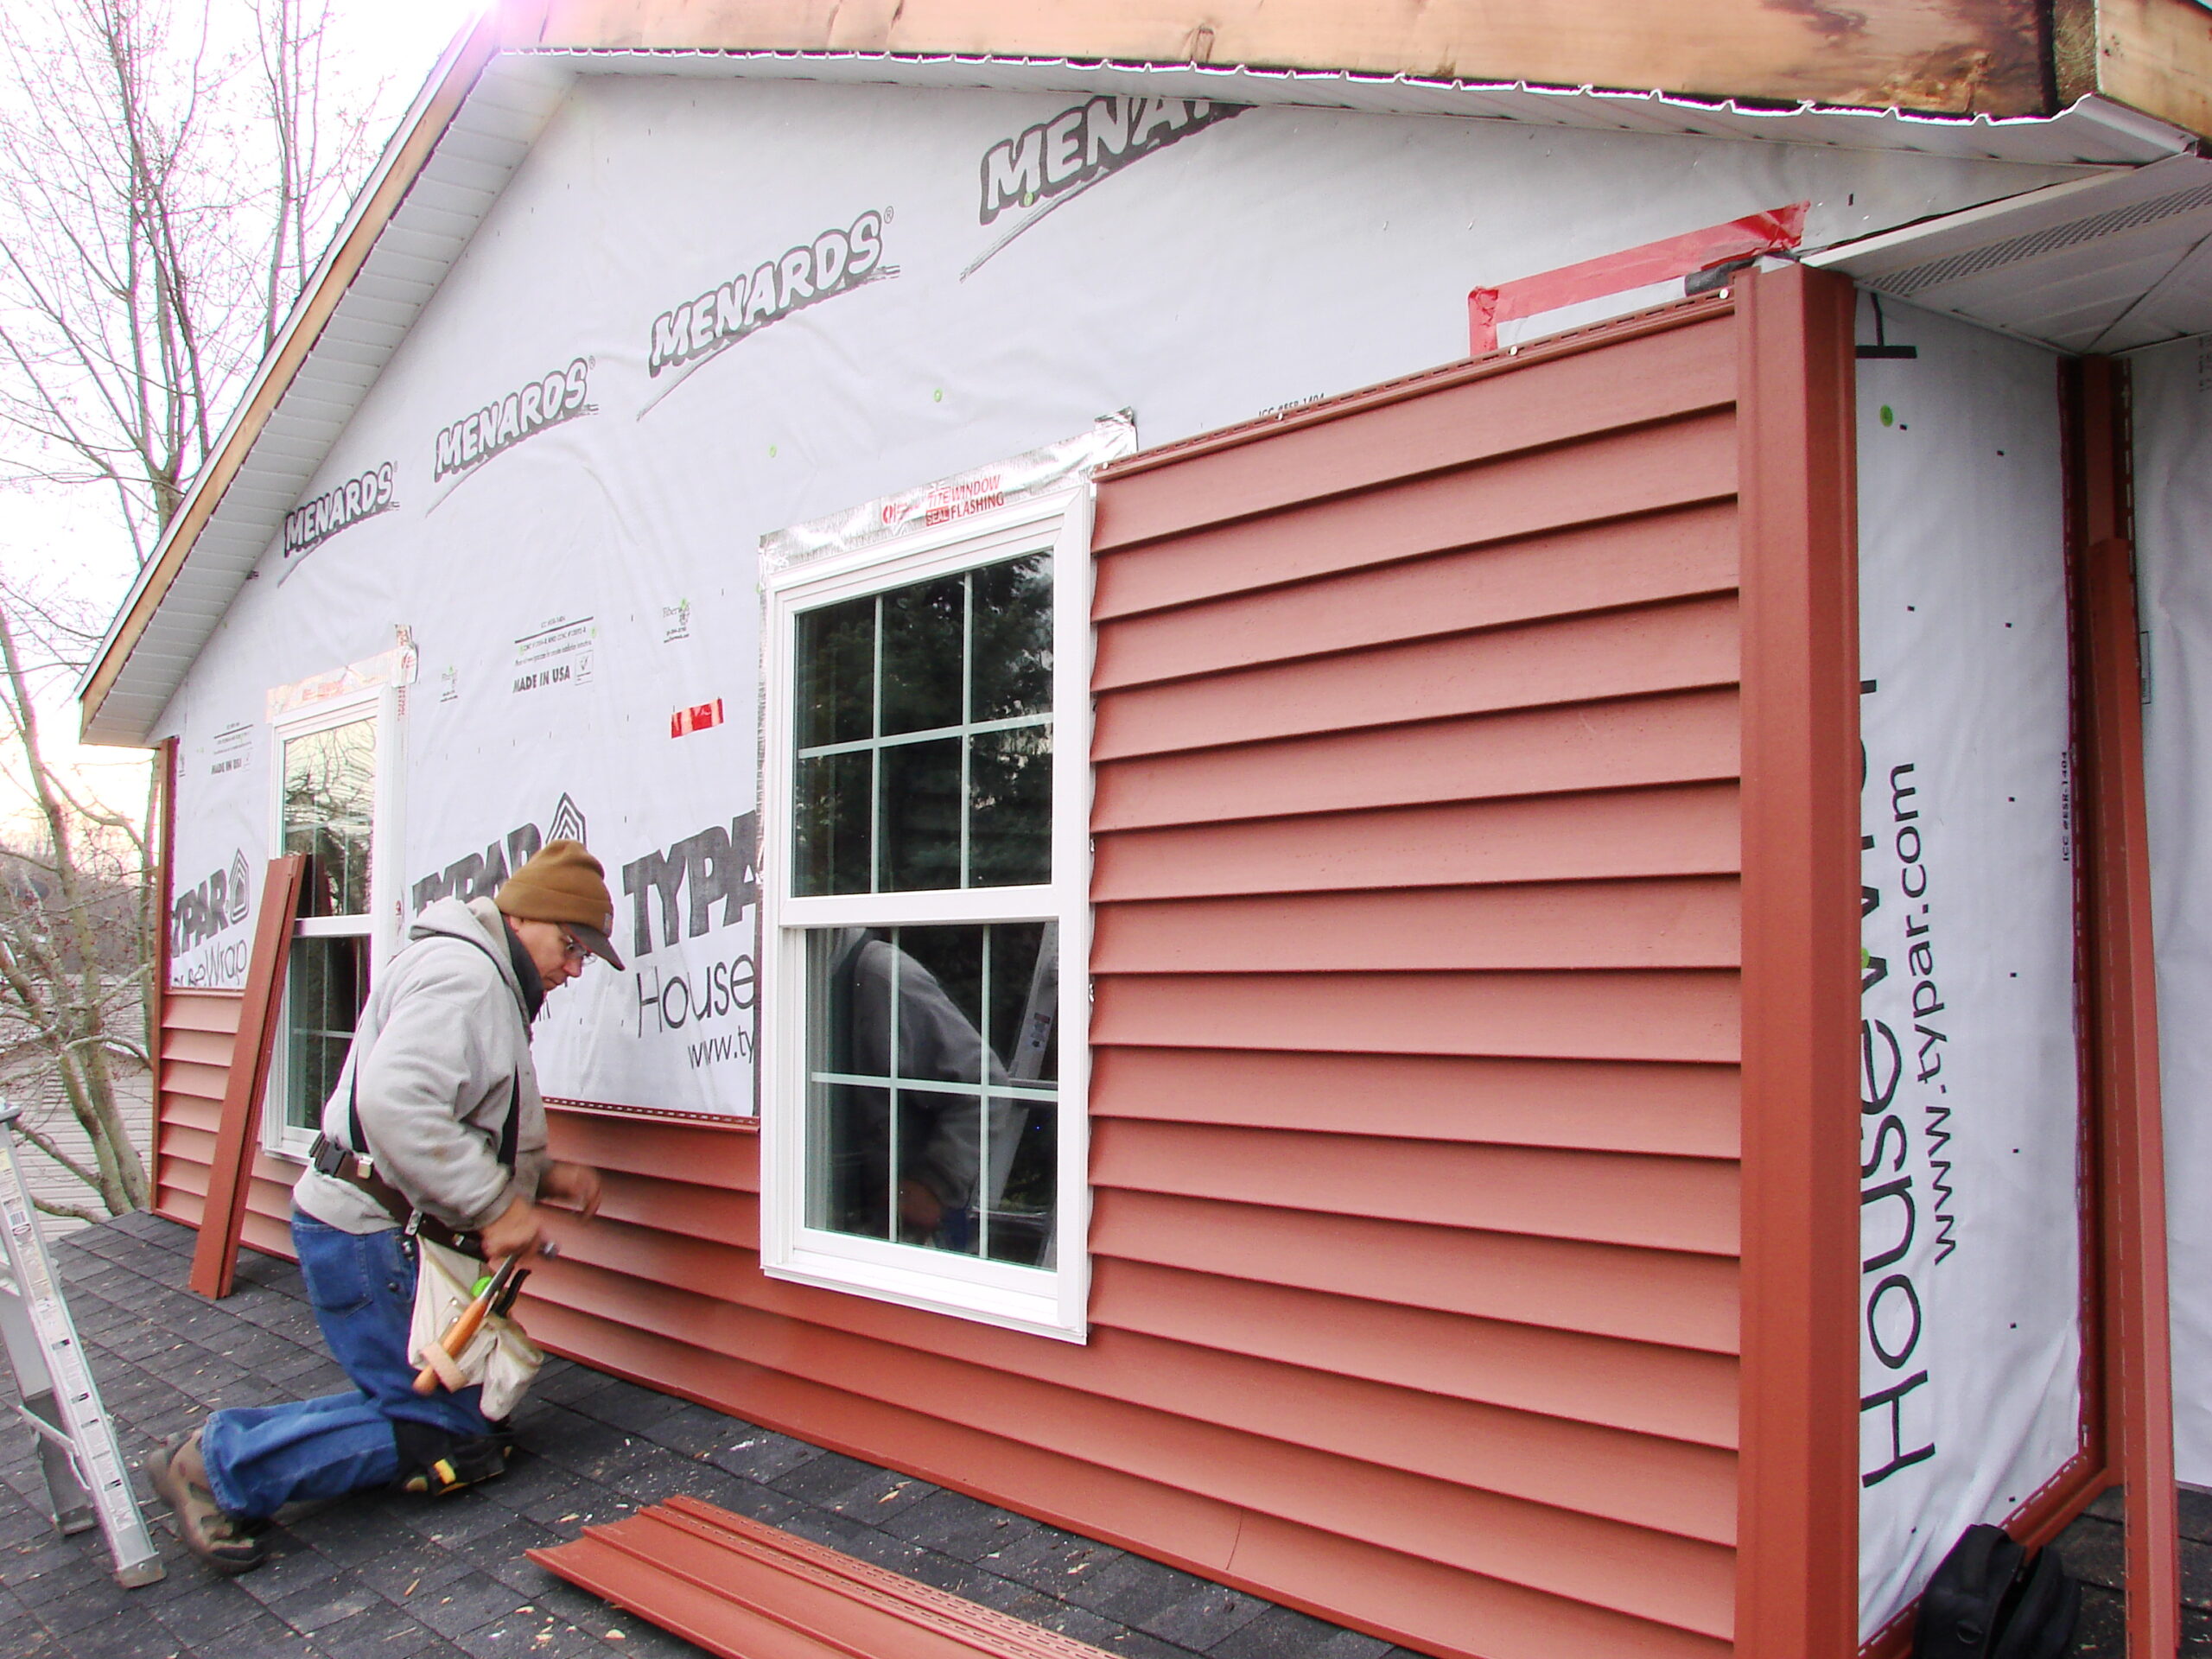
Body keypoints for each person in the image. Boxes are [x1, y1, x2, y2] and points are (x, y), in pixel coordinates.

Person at [147, 839, 623, 1572]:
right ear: (525, 916)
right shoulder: (465, 978)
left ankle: (224, 1457)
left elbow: (460, 1111)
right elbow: (397, 1105)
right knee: (443, 1432)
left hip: (372, 1228)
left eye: (584, 955)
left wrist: (542, 1178)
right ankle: (221, 1467)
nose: (573, 967)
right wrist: (498, 1209)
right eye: (570, 945)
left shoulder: (479, 974)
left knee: (458, 1420)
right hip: (366, 1238)